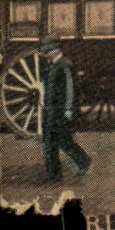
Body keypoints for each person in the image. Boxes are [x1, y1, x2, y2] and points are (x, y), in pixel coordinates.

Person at [38, 37, 91, 183]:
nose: (46, 54)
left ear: (55, 51)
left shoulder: (64, 65)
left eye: (47, 52)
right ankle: (54, 176)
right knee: (49, 143)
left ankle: (83, 162)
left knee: (63, 140)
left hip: (60, 111)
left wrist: (68, 109)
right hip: (50, 111)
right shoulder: (52, 66)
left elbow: (69, 89)